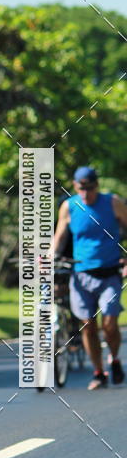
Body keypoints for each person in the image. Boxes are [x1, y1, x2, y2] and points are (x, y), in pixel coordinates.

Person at [53, 166, 127, 390]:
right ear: (75, 186)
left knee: (110, 325)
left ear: (97, 185)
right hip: (81, 274)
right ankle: (98, 372)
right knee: (88, 325)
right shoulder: (69, 206)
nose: (85, 193)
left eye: (90, 188)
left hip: (109, 273)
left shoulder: (113, 202)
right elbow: (59, 238)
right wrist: (48, 257)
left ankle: (114, 358)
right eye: (81, 188)